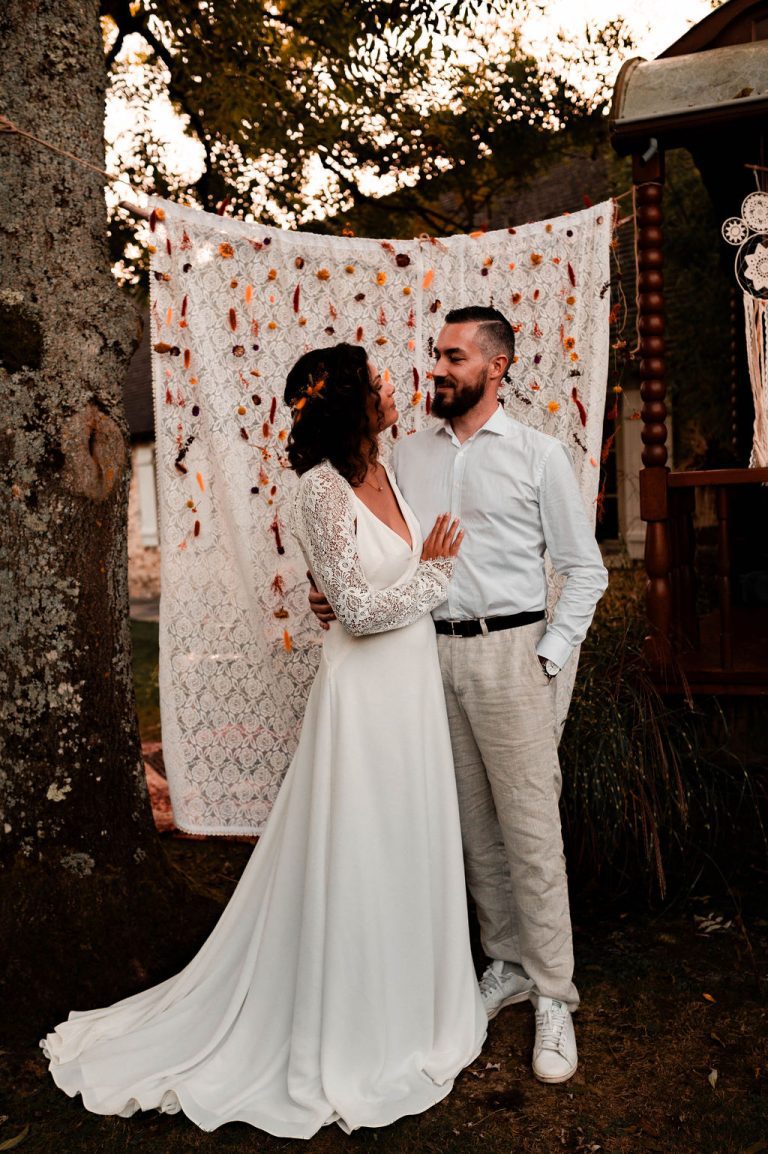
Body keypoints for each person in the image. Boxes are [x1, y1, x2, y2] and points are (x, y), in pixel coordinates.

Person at [41, 343, 487, 1137]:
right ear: (348, 401)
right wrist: (434, 577)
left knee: (407, 839)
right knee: (362, 847)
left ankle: (415, 1005)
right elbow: (355, 608)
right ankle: (352, 1024)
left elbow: (368, 588)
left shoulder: (388, 473)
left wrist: (406, 581)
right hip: (363, 700)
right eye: (378, 383)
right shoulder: (317, 491)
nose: (393, 390)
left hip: (409, 689)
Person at [310, 307, 608, 1085]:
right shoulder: (404, 455)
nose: (435, 369)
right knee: (473, 830)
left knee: (531, 831)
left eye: (452, 357)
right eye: (435, 354)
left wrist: (546, 657)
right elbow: (380, 552)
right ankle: (505, 963)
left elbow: (585, 570)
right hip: (420, 662)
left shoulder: (541, 456)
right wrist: (336, 596)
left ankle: (554, 995)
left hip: (512, 654)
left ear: (495, 366)